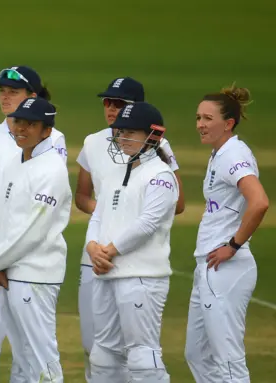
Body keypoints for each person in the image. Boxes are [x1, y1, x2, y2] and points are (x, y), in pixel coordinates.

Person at [74, 76, 184, 382]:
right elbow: (98, 215)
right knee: (104, 354)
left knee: (142, 356)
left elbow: (147, 223)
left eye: (129, 132)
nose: (121, 138)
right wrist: (92, 246)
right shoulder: (118, 171)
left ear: (152, 136)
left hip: (142, 276)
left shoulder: (161, 175)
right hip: (107, 272)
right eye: (119, 132)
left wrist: (109, 250)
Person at [0, 65, 67, 382]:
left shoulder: (51, 156)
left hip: (27, 265)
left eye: (14, 91)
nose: (6, 97)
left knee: (37, 354)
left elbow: (36, 221)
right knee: (1, 346)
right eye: (2, 91)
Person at [185, 85, 269, 383]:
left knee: (228, 360)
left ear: (228, 123)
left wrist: (232, 245)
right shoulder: (218, 153)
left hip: (226, 267)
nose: (200, 125)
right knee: (196, 354)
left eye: (207, 118)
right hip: (208, 266)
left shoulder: (234, 154)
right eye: (198, 117)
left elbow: (259, 202)